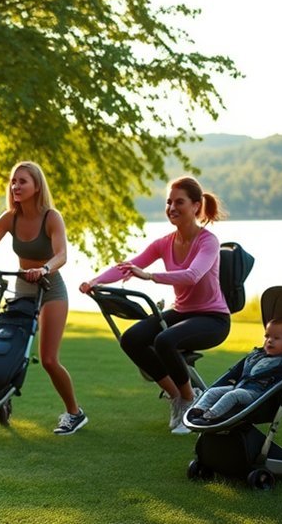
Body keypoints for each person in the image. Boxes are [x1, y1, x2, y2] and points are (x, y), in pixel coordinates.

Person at [79, 176, 230, 435]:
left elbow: (193, 275)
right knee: (132, 339)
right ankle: (176, 396)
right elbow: (127, 265)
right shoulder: (165, 243)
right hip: (181, 312)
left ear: (195, 206)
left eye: (178, 202)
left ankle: (190, 400)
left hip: (213, 318)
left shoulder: (208, 242)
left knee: (164, 340)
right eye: (169, 202)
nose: (172, 207)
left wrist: (150, 276)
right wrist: (94, 281)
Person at [0, 161, 87, 435]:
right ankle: (2, 393)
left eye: (22, 181)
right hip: (22, 287)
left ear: (37, 186)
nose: (15, 186)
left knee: (47, 359)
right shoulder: (9, 217)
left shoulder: (51, 217)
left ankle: (74, 413)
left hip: (51, 288)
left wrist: (44, 268)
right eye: (13, 181)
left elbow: (62, 255)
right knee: (10, 345)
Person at [187, 318, 282, 424]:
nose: (269, 341)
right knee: (213, 391)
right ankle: (198, 409)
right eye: (267, 337)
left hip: (256, 393)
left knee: (233, 395)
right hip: (241, 385)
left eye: (276, 338)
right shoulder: (260, 355)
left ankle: (210, 416)